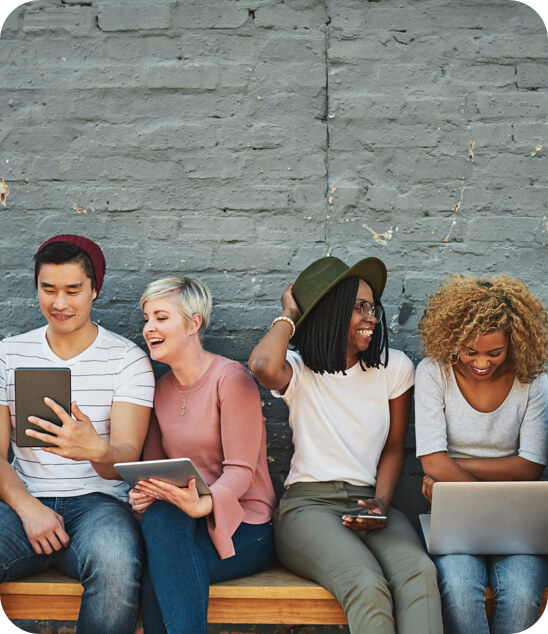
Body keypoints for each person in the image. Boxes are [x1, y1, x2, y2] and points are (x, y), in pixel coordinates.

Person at [248, 255, 443, 634]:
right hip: (308, 508)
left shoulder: (395, 368)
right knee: (366, 584)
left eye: (373, 308)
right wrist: (289, 313)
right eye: (359, 308)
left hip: (372, 501)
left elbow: (393, 447)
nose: (371, 317)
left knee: (419, 573)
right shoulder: (299, 370)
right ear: (332, 312)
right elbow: (262, 366)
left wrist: (382, 503)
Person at [0, 234, 155, 634]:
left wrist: (95, 449)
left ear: (95, 289)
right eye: (48, 289)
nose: (59, 303)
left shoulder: (126, 360)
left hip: (98, 507)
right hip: (23, 500)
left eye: (73, 289)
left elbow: (124, 460)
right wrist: (28, 508)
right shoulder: (9, 355)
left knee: (118, 567)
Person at [129, 276, 276, 634]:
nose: (149, 328)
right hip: (181, 523)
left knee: (159, 575)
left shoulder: (232, 379)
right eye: (146, 319)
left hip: (244, 524)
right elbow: (153, 471)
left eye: (161, 318)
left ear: (194, 323)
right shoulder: (159, 389)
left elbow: (241, 472)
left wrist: (203, 506)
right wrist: (143, 493)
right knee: (160, 519)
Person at [415, 274, 548, 634]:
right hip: (453, 520)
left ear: (514, 343)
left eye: (495, 353)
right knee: (458, 592)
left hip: (517, 523)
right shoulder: (433, 373)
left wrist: (451, 469)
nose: (481, 363)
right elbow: (430, 462)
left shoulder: (533, 378)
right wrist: (441, 468)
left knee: (522, 595)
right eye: (469, 351)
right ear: (453, 339)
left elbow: (531, 466)